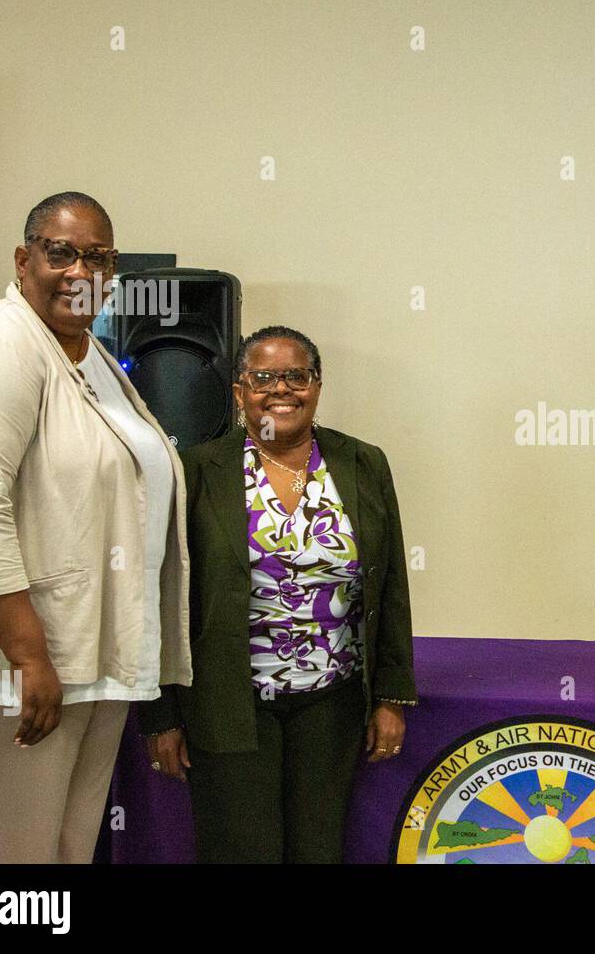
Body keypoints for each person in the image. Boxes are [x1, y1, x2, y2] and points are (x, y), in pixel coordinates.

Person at [0, 192, 191, 863]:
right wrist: (27, 656)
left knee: (63, 856)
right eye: (60, 251)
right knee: (7, 861)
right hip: (14, 665)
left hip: (86, 658)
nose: (79, 270)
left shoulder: (87, 354)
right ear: (23, 258)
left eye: (97, 257)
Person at [138, 326, 417, 863]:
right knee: (242, 850)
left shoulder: (362, 463)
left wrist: (391, 696)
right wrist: (162, 715)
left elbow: (391, 586)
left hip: (331, 704)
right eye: (263, 377)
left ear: (316, 385)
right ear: (240, 391)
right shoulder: (197, 470)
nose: (281, 389)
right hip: (226, 704)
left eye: (296, 375)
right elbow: (163, 597)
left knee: (317, 849)